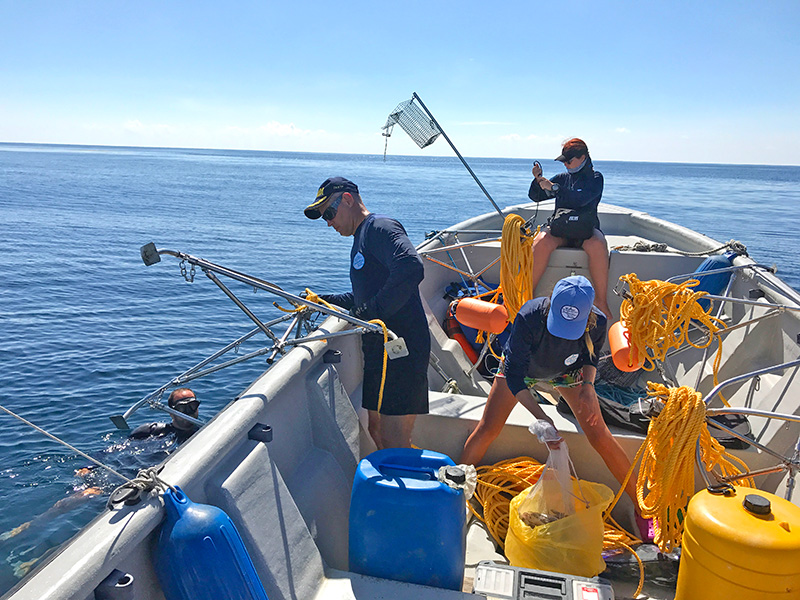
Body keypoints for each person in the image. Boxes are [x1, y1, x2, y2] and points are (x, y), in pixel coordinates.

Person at [460, 276, 638, 508]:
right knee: (487, 429)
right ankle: (455, 486)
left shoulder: (598, 322)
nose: (562, 335)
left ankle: (641, 507)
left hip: (567, 372)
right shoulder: (529, 315)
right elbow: (514, 376)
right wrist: (542, 419)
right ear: (551, 302)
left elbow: (590, 357)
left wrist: (588, 387)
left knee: (600, 435)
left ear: (588, 317)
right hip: (522, 368)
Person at [304, 177, 430, 449]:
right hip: (380, 351)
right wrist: (323, 300)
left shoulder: (379, 228)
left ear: (347, 199)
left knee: (395, 440)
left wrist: (372, 312)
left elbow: (411, 267)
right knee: (378, 431)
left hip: (400, 349)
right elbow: (364, 298)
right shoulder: (360, 239)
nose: (328, 222)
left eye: (329, 212)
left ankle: (412, 490)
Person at [528, 138, 613, 318]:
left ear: (583, 157)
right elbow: (535, 197)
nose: (566, 164)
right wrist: (538, 180)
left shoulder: (596, 178)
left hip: (585, 230)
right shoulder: (561, 178)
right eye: (564, 161)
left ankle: (601, 302)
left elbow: (580, 199)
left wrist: (556, 189)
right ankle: (526, 293)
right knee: (542, 241)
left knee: (598, 244)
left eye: (569, 160)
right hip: (561, 229)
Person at [128, 388, 201, 443]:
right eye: (181, 408)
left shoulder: (203, 432)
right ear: (171, 413)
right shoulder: (150, 431)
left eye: (192, 406)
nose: (188, 412)